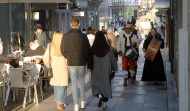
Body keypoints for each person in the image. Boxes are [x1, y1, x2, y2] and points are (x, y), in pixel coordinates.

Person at [60, 17, 92, 111]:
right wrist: (89, 65)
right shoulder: (83, 36)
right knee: (82, 82)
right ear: (78, 25)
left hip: (71, 62)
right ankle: (82, 102)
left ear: (71, 24)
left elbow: (62, 50)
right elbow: (88, 51)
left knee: (74, 83)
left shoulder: (66, 36)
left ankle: (76, 105)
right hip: (82, 62)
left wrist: (68, 57)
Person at [91, 31, 118, 109]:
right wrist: (115, 67)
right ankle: (104, 104)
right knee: (105, 87)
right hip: (106, 71)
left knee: (96, 86)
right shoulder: (108, 47)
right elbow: (113, 58)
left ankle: (99, 96)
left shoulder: (93, 48)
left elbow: (90, 59)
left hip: (95, 71)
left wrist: (89, 68)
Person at [43, 32, 69, 111]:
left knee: (57, 85)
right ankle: (60, 102)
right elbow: (68, 58)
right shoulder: (65, 46)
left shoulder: (50, 47)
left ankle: (59, 101)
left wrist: (49, 65)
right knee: (62, 86)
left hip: (54, 68)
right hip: (63, 68)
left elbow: (45, 58)